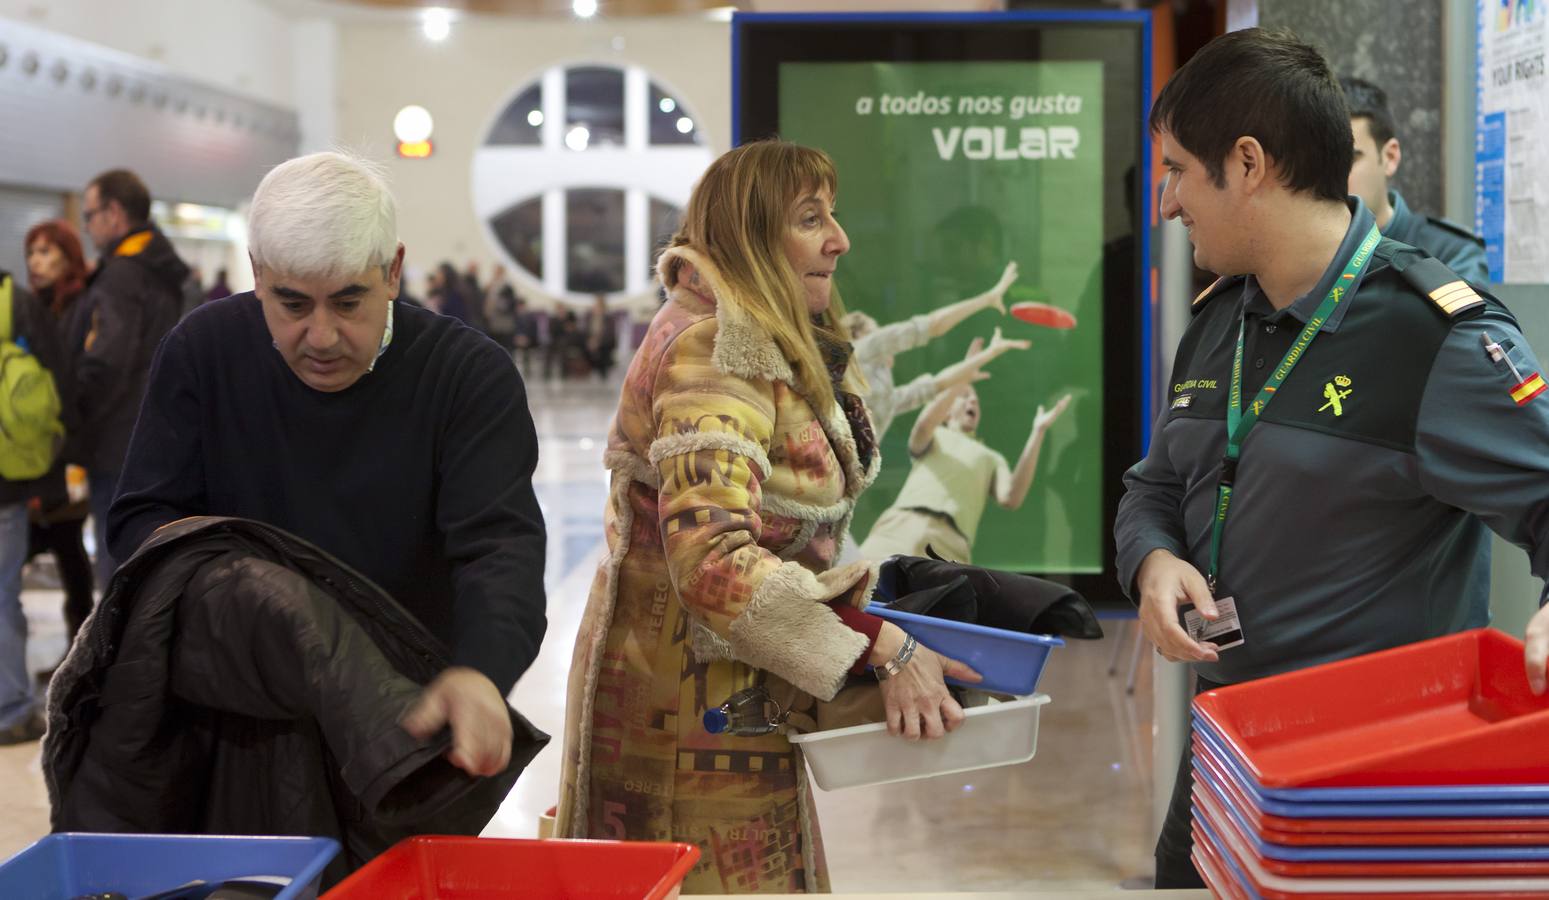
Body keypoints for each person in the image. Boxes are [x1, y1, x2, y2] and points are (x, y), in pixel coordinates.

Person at [1116, 28, 1549, 889]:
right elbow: (1155, 483)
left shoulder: (1436, 336)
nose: (1163, 203)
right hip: (1224, 757)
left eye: (1176, 171)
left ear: (1246, 165)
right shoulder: (1217, 321)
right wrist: (1153, 558)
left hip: (1366, 789)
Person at [554, 140, 981, 893]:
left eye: (832, 215)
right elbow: (713, 561)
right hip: (683, 723)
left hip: (722, 690)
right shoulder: (712, 352)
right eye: (809, 218)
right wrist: (884, 647)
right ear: (750, 236)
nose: (837, 239)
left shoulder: (744, 332)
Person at [108, 150, 548, 778]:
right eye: (292, 304)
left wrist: (480, 670)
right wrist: (245, 605)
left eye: (348, 303)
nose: (320, 336)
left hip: (406, 729)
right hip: (237, 723)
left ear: (392, 271)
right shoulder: (202, 353)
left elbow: (499, 547)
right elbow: (141, 525)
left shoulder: (465, 377)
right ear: (258, 275)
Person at [858, 334, 1070, 564]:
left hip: (950, 542)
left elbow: (1011, 497)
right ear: (947, 411)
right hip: (901, 525)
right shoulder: (935, 434)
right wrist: (964, 374)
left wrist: (1038, 431)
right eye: (964, 397)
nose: (972, 402)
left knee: (939, 600)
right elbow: (924, 423)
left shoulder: (992, 458)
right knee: (862, 591)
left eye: (975, 401)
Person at [75, 169, 189, 587]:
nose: (86, 227)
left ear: (115, 213)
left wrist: (77, 412)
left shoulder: (122, 274)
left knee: (115, 564)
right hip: (160, 430)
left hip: (115, 437)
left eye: (89, 216)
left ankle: (113, 651)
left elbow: (108, 360)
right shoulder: (163, 265)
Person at [843, 260, 1024, 441]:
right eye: (875, 333)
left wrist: (987, 355)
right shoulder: (861, 349)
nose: (883, 341)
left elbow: (935, 385)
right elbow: (933, 325)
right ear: (857, 335)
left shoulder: (885, 399)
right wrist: (988, 298)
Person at [0, 268, 68, 745]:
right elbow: (55, 392)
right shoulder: (21, 303)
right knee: (2, 595)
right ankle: (12, 708)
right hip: (10, 480)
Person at [1340, 76, 1490, 284]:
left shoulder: (1449, 254)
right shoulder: (1298, 253)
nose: (1330, 176)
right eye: (1320, 162)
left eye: (1346, 160)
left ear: (1389, 158)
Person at [23, 220, 95, 648]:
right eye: (32, 252)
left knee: (70, 558)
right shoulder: (30, 305)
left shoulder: (82, 305)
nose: (36, 261)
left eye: (47, 252)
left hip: (69, 451)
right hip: (33, 451)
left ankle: (80, 654)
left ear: (70, 257)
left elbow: (78, 382)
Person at [581, 293, 617, 380]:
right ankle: (589, 369)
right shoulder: (588, 317)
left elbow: (610, 335)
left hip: (604, 343)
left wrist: (598, 342)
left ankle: (602, 371)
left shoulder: (609, 319)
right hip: (590, 342)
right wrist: (590, 341)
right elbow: (585, 331)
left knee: (602, 351)